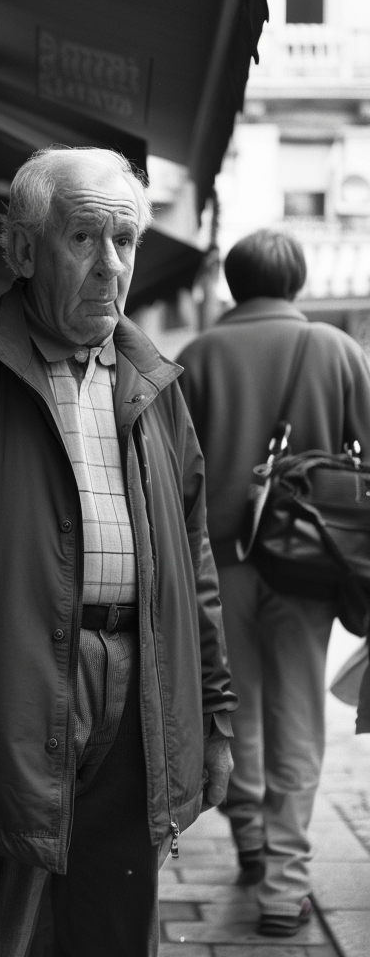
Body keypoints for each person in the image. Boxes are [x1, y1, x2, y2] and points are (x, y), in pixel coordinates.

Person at [0, 146, 237, 957]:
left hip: (140, 686)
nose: (111, 268)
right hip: (14, 687)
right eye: (84, 239)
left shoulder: (153, 377)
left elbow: (194, 561)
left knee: (116, 918)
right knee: (6, 923)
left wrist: (214, 715)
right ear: (24, 249)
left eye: (126, 242)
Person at [178, 228, 370, 937]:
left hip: (216, 567)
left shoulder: (196, 356)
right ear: (297, 280)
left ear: (233, 282)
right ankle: (284, 889)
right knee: (296, 717)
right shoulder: (337, 350)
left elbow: (174, 477)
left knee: (235, 707)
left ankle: (250, 837)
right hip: (308, 566)